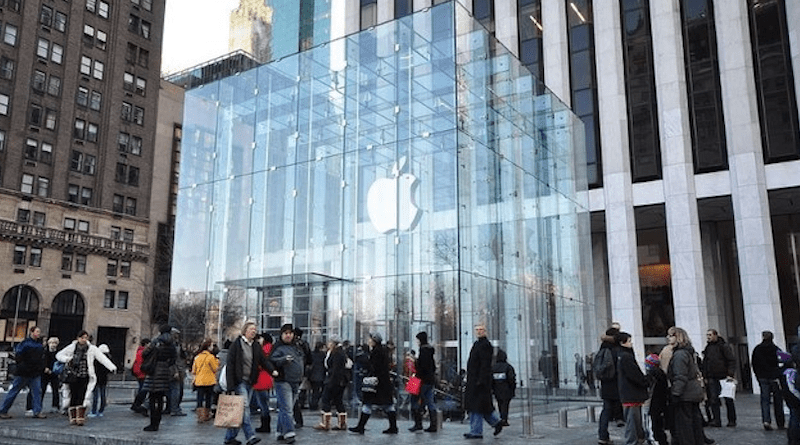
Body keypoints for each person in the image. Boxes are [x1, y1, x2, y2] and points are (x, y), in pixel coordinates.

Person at [224, 321, 275, 445]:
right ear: (245, 331)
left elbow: (263, 360)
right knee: (245, 408)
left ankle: (229, 438)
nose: (254, 331)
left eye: (255, 329)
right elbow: (230, 365)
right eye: (251, 329)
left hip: (250, 381)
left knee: (240, 410)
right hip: (239, 381)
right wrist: (230, 386)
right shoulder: (236, 345)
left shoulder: (256, 346)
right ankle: (250, 436)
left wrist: (272, 370)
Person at [56, 330, 117, 426]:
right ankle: (73, 416)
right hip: (73, 375)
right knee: (73, 396)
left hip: (85, 375)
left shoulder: (92, 349)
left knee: (82, 395)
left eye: (85, 338)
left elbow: (102, 358)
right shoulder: (72, 347)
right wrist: (67, 359)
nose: (84, 340)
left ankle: (80, 417)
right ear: (78, 338)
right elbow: (59, 355)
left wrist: (112, 367)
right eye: (82, 338)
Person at [348, 332, 397, 435]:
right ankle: (393, 426)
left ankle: (361, 426)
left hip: (377, 382)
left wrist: (367, 365)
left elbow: (374, 366)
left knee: (368, 403)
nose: (369, 341)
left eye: (370, 339)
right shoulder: (382, 351)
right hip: (383, 382)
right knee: (387, 404)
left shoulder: (377, 352)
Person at [666, 326, 706, 445]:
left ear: (677, 337)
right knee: (694, 422)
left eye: (671, 335)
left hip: (686, 394)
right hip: (692, 392)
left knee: (685, 425)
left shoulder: (680, 355)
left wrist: (676, 393)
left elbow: (680, 376)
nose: (668, 338)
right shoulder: (687, 352)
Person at [463, 324, 503, 439]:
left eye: (481, 330)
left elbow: (485, 365)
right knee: (481, 406)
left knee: (476, 406)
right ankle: (496, 422)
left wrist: (481, 380)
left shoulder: (485, 345)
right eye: (477, 330)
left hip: (479, 381)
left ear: (485, 331)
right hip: (476, 380)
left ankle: (476, 431)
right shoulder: (478, 344)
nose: (479, 332)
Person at [0, 326, 47, 419]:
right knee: (17, 391)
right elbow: (19, 356)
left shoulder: (31, 344)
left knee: (36, 392)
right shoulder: (28, 344)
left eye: (39, 332)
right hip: (25, 372)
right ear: (32, 332)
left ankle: (37, 411)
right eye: (37, 331)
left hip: (31, 371)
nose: (38, 333)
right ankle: (3, 410)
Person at [270, 323, 304, 444]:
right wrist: (283, 360)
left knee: (285, 408)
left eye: (290, 333)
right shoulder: (278, 347)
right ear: (282, 334)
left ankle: (280, 431)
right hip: (283, 380)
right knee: (287, 408)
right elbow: (271, 360)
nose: (288, 335)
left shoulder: (297, 346)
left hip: (296, 380)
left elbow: (305, 358)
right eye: (286, 333)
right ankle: (289, 432)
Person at [139, 325, 177, 431]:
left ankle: (152, 423)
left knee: (152, 398)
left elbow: (145, 353)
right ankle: (158, 422)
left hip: (153, 370)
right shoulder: (171, 344)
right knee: (160, 398)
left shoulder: (156, 341)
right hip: (164, 371)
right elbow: (174, 358)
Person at [616, 332, 648, 445]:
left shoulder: (622, 355)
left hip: (629, 393)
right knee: (633, 420)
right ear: (622, 343)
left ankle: (639, 438)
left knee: (635, 419)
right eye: (629, 341)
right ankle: (633, 441)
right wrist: (645, 381)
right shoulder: (625, 357)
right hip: (631, 393)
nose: (631, 343)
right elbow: (634, 374)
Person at [702, 329, 737, 427]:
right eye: (707, 335)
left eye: (710, 335)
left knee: (728, 399)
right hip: (712, 377)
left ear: (715, 335)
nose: (708, 337)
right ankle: (716, 420)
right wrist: (705, 375)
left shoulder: (724, 346)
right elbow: (706, 362)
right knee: (713, 399)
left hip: (724, 376)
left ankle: (732, 420)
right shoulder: (708, 348)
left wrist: (730, 373)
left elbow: (731, 360)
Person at [752, 330, 786, 430]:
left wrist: (758, 376)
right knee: (777, 401)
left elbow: (754, 363)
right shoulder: (775, 349)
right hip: (774, 376)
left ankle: (766, 420)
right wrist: (779, 371)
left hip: (762, 377)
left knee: (765, 400)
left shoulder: (757, 349)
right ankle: (780, 423)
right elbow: (785, 359)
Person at [314, 335, 349, 431]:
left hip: (333, 381)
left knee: (326, 400)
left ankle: (325, 423)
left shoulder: (337, 354)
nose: (328, 344)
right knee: (338, 401)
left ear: (334, 343)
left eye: (330, 342)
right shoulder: (339, 352)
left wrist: (331, 382)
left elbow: (335, 370)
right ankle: (342, 423)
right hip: (338, 381)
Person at [410, 331, 438, 433]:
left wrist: (416, 362)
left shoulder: (423, 350)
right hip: (430, 379)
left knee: (415, 400)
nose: (417, 342)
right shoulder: (430, 351)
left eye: (417, 340)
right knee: (430, 402)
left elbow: (421, 367)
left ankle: (418, 424)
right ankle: (433, 424)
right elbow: (433, 367)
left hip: (420, 379)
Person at [597, 326, 621, 445]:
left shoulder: (602, 348)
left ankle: (602, 436)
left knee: (606, 410)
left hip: (605, 383)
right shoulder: (615, 349)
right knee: (623, 409)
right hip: (616, 383)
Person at [191, 338, 218, 423]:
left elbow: (194, 370)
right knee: (208, 398)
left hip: (199, 381)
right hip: (209, 381)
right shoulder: (211, 357)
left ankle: (200, 416)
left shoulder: (197, 357)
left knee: (199, 398)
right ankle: (207, 414)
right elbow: (215, 368)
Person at [644, 353, 668, 445]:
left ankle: (654, 440)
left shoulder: (652, 375)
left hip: (653, 404)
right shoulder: (661, 373)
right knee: (659, 425)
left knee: (652, 425)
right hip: (660, 404)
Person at [253, 332, 274, 433]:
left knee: (263, 404)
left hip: (261, 379)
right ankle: (265, 425)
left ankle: (265, 426)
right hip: (267, 379)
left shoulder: (265, 349)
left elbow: (260, 361)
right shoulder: (270, 348)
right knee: (264, 403)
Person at [491, 348, 516, 427]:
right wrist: (512, 388)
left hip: (497, 389)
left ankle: (501, 417)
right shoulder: (508, 367)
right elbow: (511, 378)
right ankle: (504, 419)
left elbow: (491, 379)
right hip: (506, 389)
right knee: (505, 404)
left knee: (499, 403)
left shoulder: (493, 367)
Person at [168, 327, 187, 416]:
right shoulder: (173, 345)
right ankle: (174, 409)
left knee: (174, 390)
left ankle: (171, 408)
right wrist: (175, 371)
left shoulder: (177, 345)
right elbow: (173, 359)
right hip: (176, 370)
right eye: (176, 335)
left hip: (178, 369)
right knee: (176, 391)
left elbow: (183, 357)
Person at [89, 344, 112, 417]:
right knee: (103, 395)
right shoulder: (108, 359)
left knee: (95, 395)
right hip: (104, 379)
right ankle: (101, 410)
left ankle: (94, 411)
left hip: (96, 378)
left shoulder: (97, 359)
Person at [130, 338, 150, 416]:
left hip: (140, 373)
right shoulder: (143, 352)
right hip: (142, 373)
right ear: (145, 344)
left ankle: (137, 404)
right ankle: (137, 404)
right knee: (143, 390)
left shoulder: (139, 351)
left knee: (142, 389)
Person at [308, 341, 326, 411]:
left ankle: (313, 404)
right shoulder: (322, 355)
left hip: (312, 375)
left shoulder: (312, 354)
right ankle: (314, 404)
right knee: (318, 391)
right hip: (320, 375)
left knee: (314, 391)